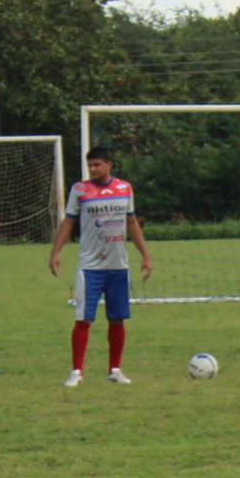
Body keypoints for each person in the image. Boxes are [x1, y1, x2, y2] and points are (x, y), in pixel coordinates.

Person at [49, 146, 153, 386]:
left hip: (118, 267)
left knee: (117, 319)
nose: (93, 169)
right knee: (83, 319)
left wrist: (145, 256)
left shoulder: (124, 188)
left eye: (97, 164)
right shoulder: (80, 190)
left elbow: (132, 222)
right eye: (90, 165)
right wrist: (55, 252)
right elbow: (68, 223)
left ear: (109, 164)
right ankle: (76, 372)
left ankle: (114, 370)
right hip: (90, 267)